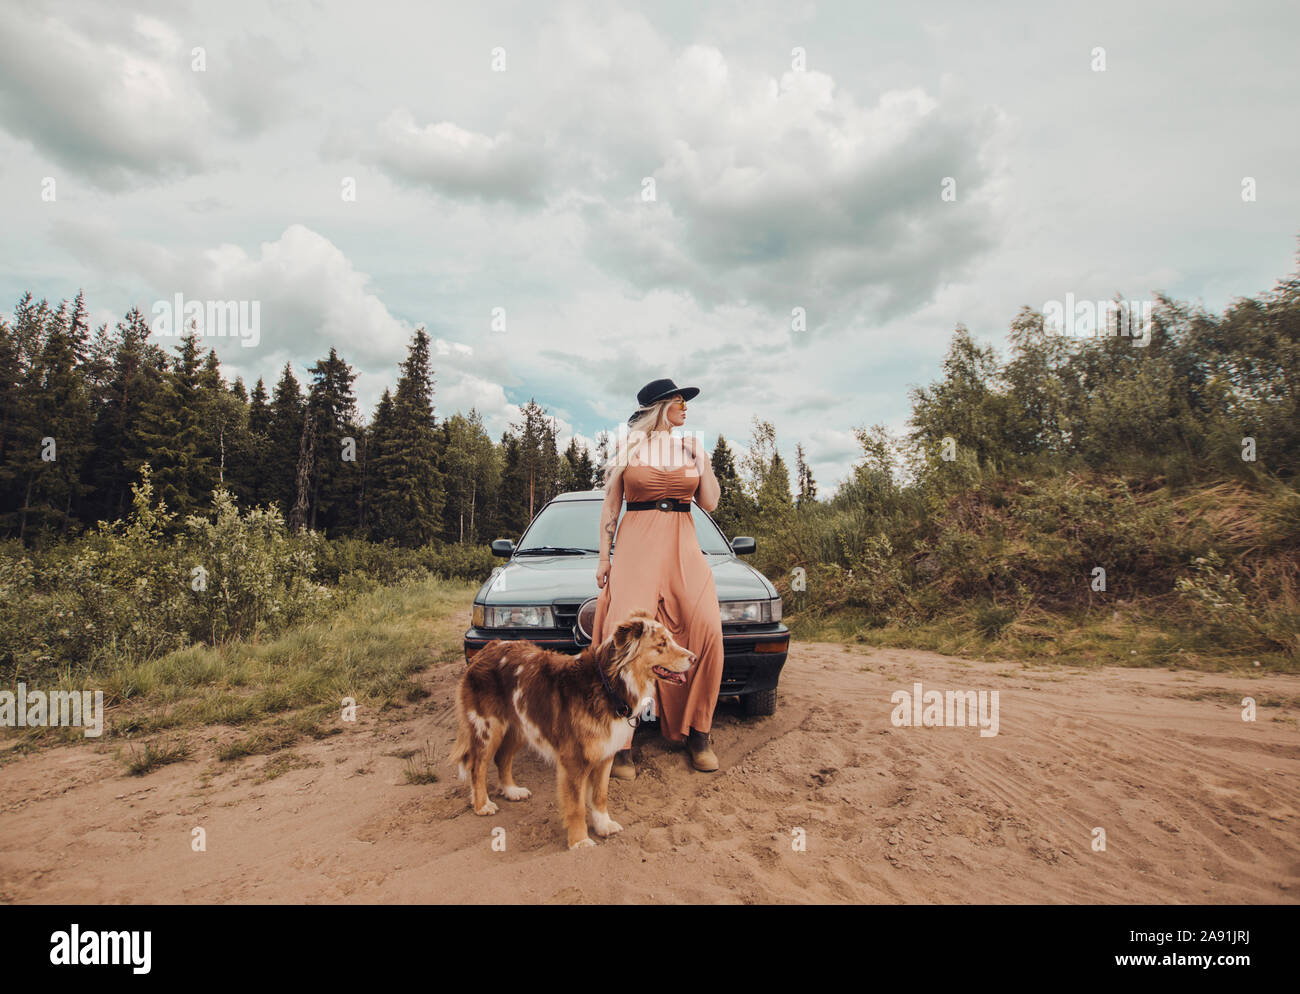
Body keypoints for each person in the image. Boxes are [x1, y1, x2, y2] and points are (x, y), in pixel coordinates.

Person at [590, 377, 725, 777]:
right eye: (680, 401)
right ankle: (621, 744)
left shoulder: (691, 448)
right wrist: (603, 558)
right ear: (660, 406)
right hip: (636, 544)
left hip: (683, 544)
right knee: (625, 636)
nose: (686, 408)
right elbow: (611, 508)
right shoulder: (628, 448)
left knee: (708, 631)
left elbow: (711, 502)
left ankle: (698, 733)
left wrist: (703, 460)